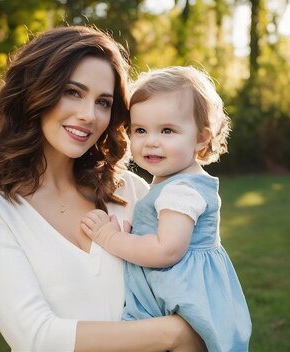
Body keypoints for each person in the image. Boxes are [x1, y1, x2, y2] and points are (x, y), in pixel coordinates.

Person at [0, 26, 204, 351]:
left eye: (103, 102)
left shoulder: (131, 191)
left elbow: (188, 289)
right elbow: (36, 337)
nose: (88, 115)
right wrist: (174, 334)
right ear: (36, 92)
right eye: (73, 92)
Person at [81, 66, 252, 352]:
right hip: (177, 292)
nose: (151, 141)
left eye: (167, 130)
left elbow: (166, 251)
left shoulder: (181, 191)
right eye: (140, 130)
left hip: (180, 297)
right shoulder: (174, 183)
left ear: (201, 137)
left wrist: (112, 239)